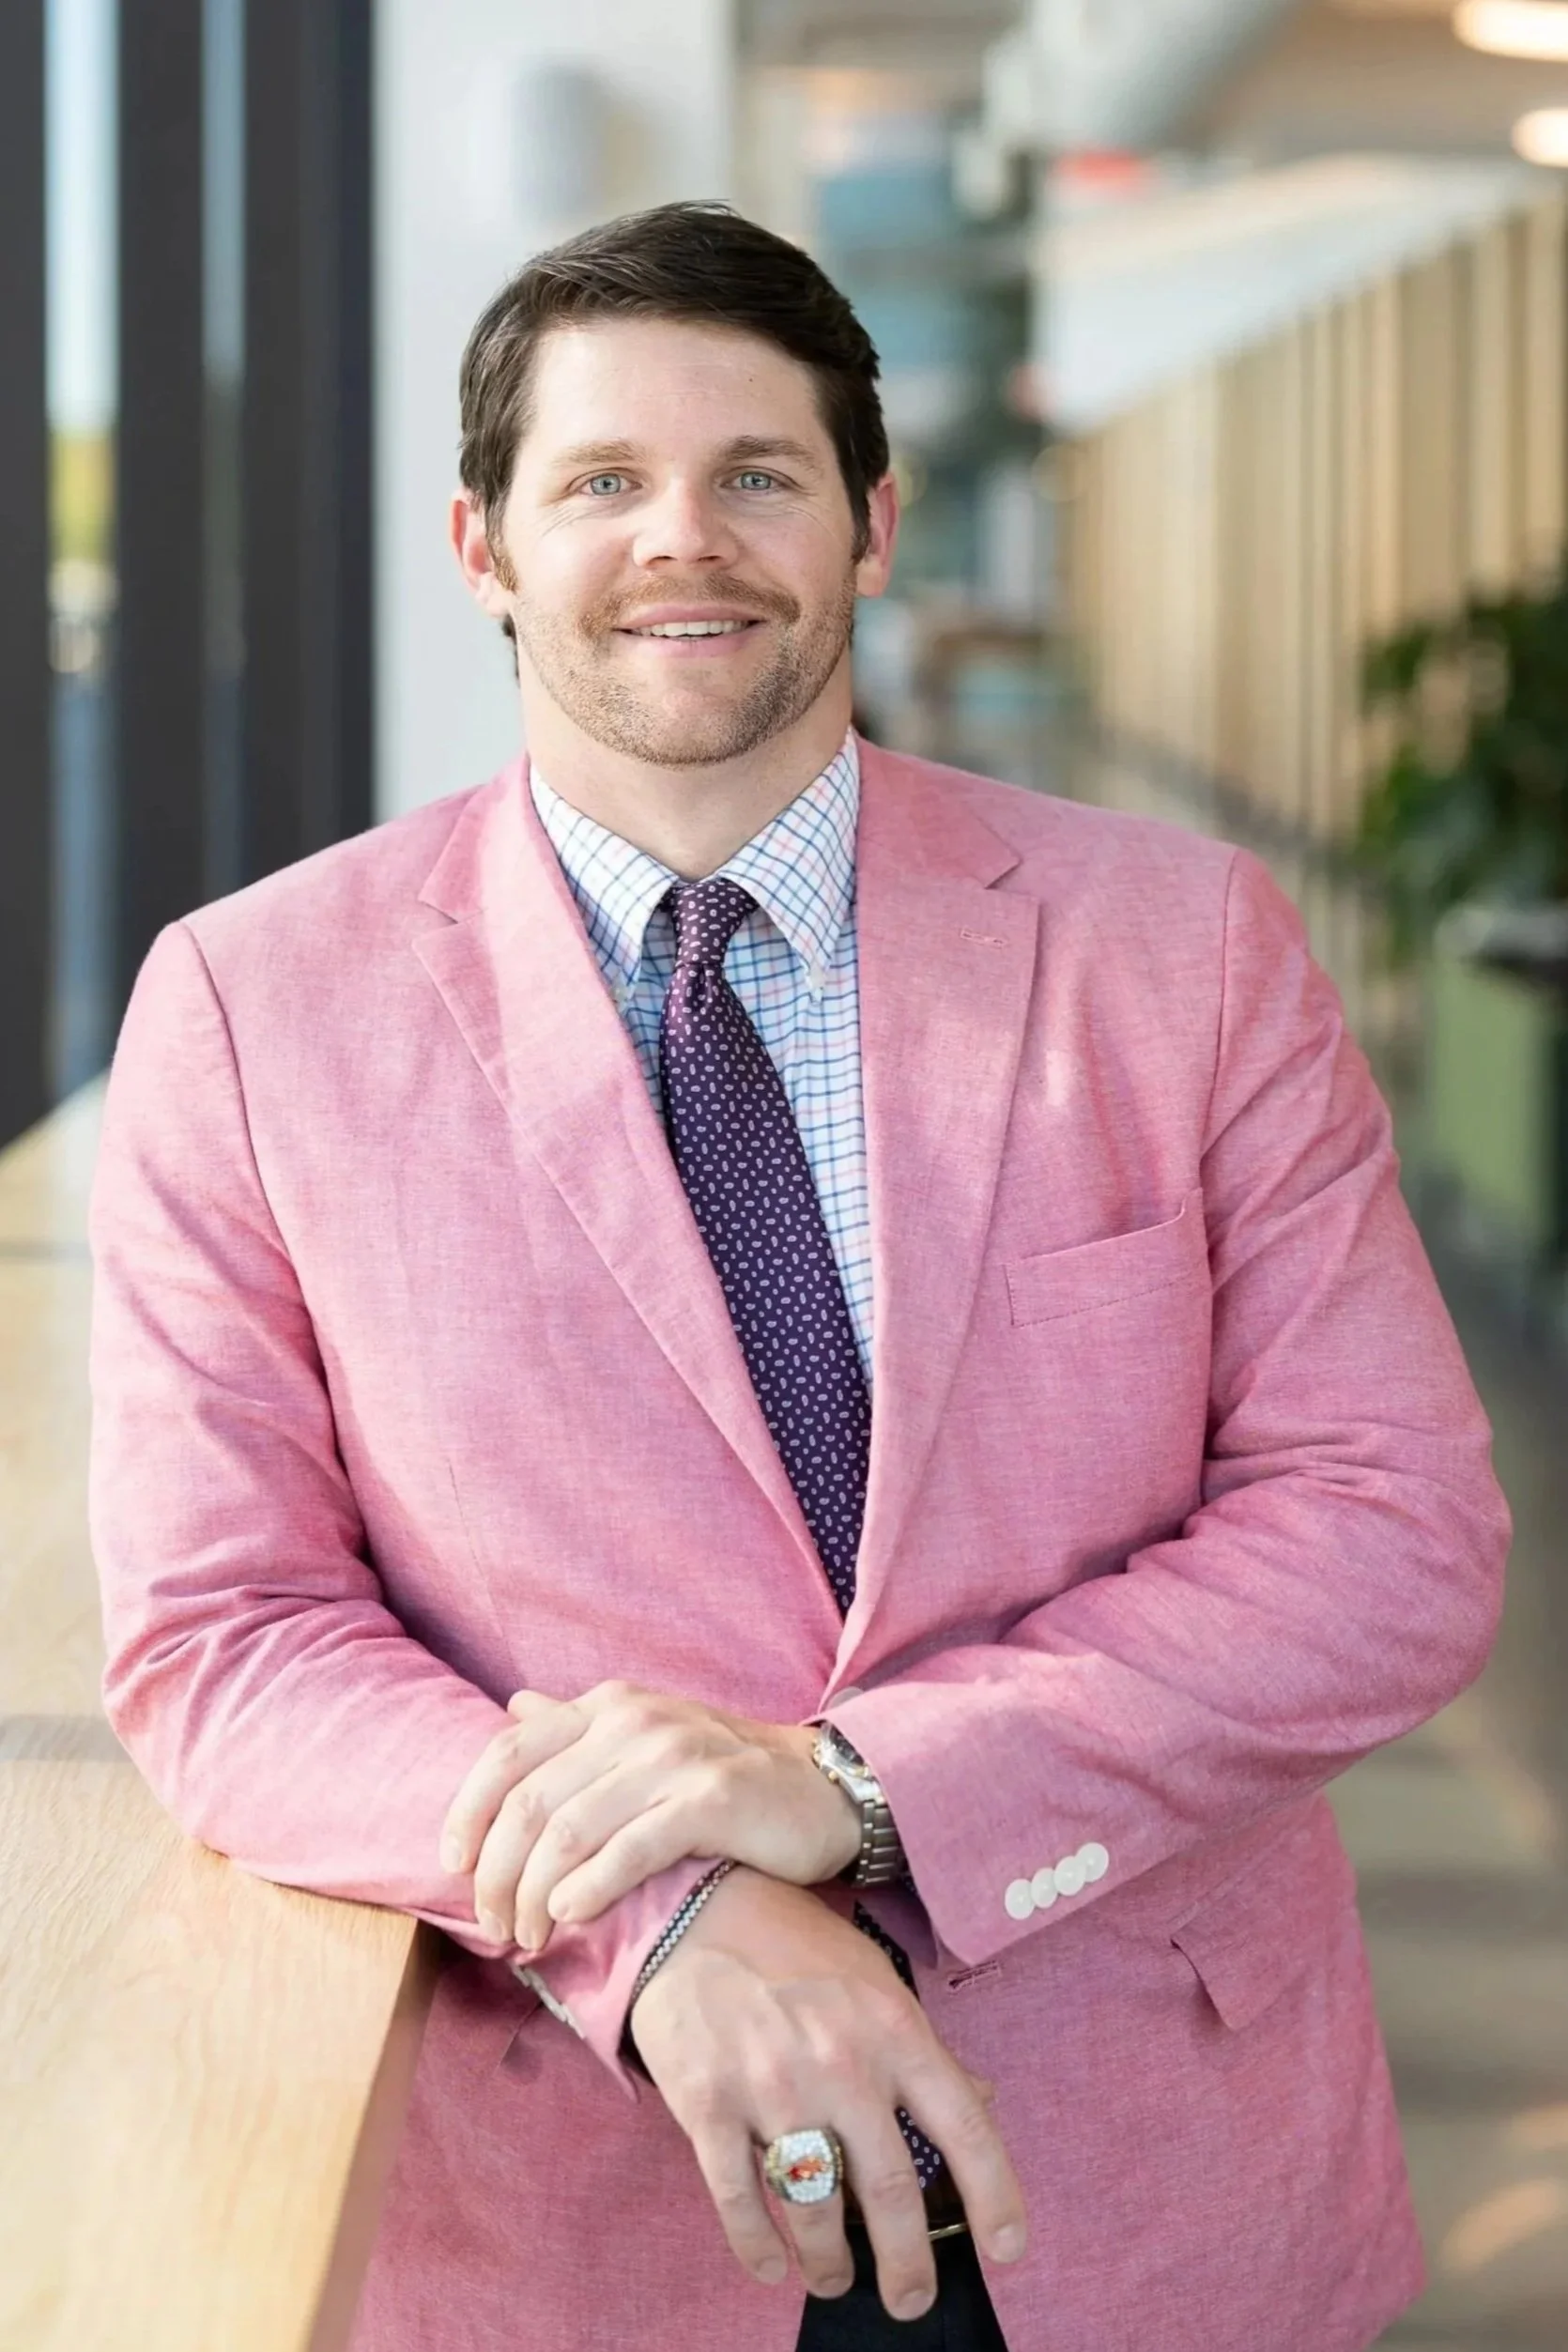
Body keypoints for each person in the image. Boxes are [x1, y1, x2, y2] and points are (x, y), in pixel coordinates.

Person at [88, 200, 1512, 2352]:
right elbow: (226, 1638)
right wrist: (654, 1915)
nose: (686, 539)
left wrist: (857, 1786)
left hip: (1145, 2162)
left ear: (870, 522)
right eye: (601, 483)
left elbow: (1394, 1532)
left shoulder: (1180, 950)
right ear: (481, 544)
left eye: (757, 472)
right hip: (587, 2189)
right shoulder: (251, 1008)